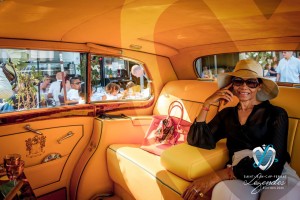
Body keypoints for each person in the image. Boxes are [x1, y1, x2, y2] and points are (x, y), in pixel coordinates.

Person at [182, 59, 300, 200]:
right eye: (238, 81)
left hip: (274, 174)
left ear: (259, 86)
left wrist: (219, 175)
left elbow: (274, 161)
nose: (244, 87)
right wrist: (207, 104)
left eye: (251, 82)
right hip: (239, 176)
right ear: (232, 85)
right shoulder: (227, 114)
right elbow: (197, 140)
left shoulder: (277, 114)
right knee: (223, 192)